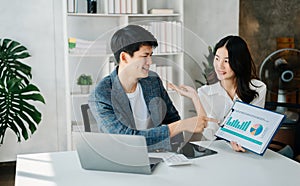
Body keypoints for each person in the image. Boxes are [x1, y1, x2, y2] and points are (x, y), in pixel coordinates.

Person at [88, 25, 217, 152]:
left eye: (151, 55)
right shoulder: (101, 94)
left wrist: (177, 153)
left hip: (160, 156)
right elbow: (126, 140)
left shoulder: (153, 81)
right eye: (145, 56)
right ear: (124, 57)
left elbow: (172, 119)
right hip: (122, 160)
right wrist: (181, 125)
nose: (150, 62)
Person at [169, 35, 267, 152]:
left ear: (239, 62)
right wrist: (195, 97)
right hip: (220, 152)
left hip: (249, 150)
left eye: (226, 61)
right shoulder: (205, 93)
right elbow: (211, 134)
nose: (219, 66)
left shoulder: (258, 88)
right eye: (217, 58)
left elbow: (255, 127)